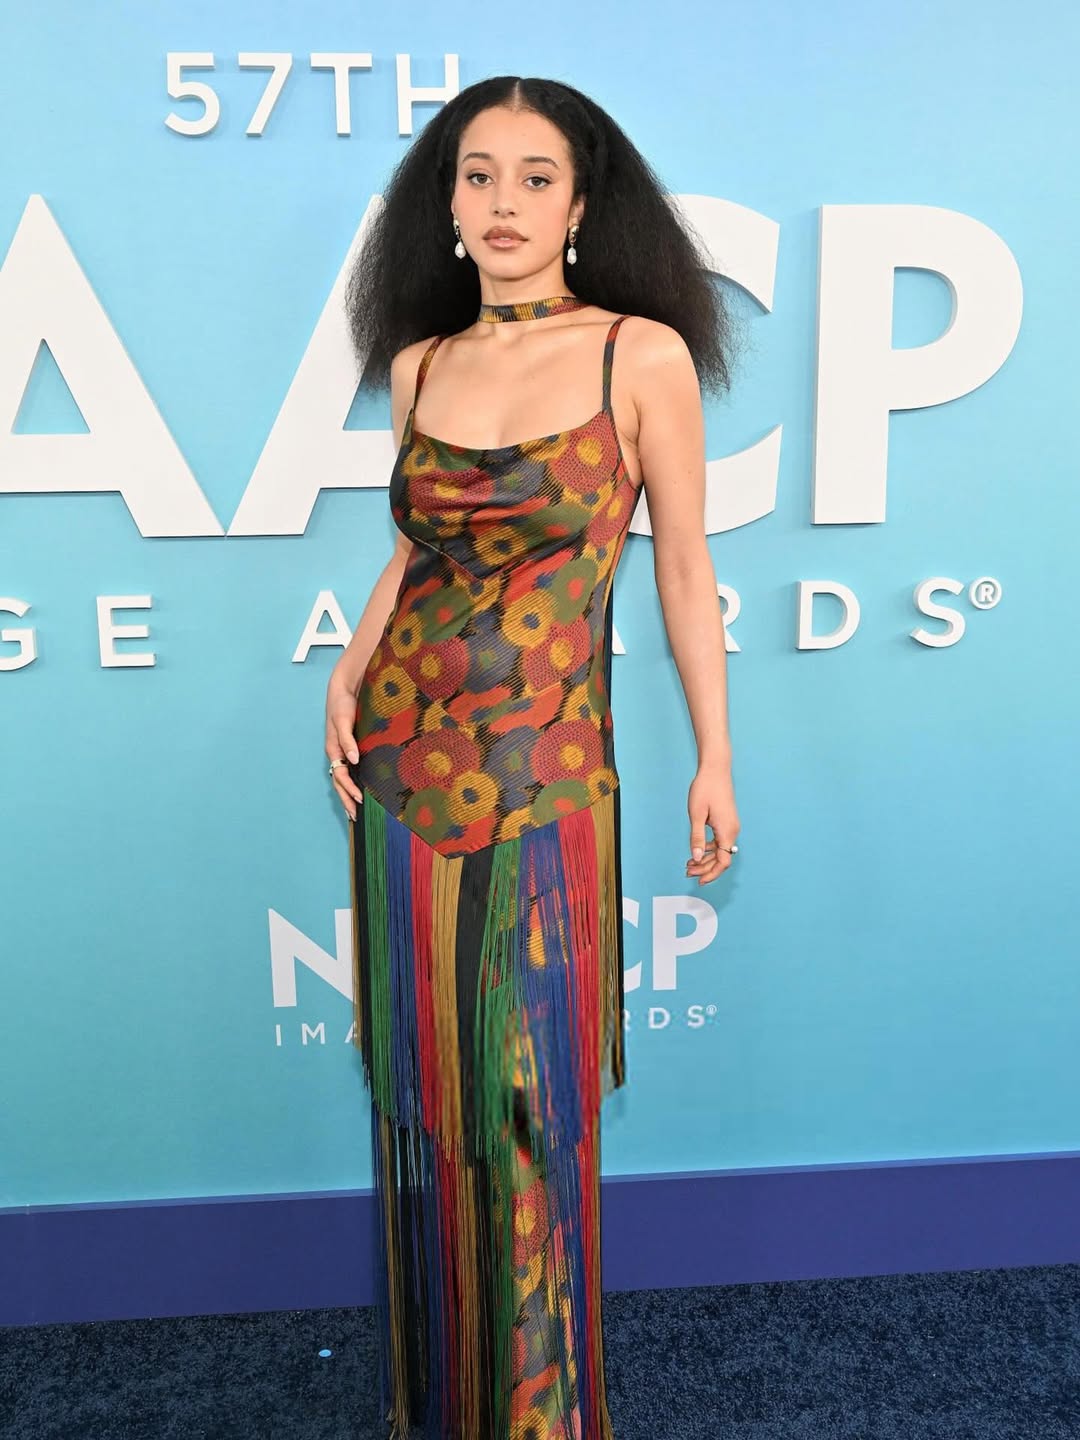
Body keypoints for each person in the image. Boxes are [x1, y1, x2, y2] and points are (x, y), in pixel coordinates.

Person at [324, 74, 741, 1440]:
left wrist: (714, 756)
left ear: (580, 204)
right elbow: (415, 553)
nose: (503, 202)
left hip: (547, 780)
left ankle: (544, 1413)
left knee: (530, 1103)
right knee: (436, 1103)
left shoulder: (639, 356)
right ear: (446, 203)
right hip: (402, 771)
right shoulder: (420, 366)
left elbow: (683, 569)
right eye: (478, 174)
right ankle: (454, 1404)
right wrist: (346, 669)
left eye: (535, 177)